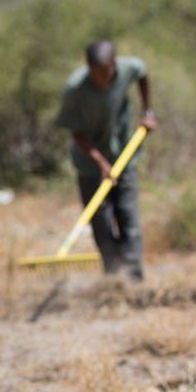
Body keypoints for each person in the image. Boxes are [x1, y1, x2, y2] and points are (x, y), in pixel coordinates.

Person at [55, 39, 158, 281]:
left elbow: (143, 73)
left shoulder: (128, 68)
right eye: (95, 73)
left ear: (113, 65)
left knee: (128, 217)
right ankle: (113, 277)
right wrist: (101, 164)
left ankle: (133, 278)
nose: (101, 78)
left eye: (106, 72)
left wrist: (147, 111)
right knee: (100, 222)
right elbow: (76, 133)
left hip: (124, 154)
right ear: (87, 67)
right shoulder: (75, 89)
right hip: (90, 164)